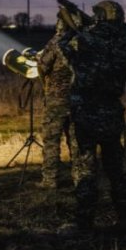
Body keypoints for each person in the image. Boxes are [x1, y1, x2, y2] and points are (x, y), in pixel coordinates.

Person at [58, 0, 126, 231]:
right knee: (116, 168)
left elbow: (64, 49)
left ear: (99, 16)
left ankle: (84, 222)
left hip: (86, 112)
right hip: (111, 110)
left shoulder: (86, 38)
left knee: (85, 169)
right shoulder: (123, 42)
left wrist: (68, 24)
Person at [36, 15, 73, 189]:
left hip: (57, 100)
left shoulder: (57, 42)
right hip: (78, 100)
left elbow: (43, 67)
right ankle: (80, 178)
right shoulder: (83, 42)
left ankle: (50, 180)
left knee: (51, 140)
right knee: (76, 140)